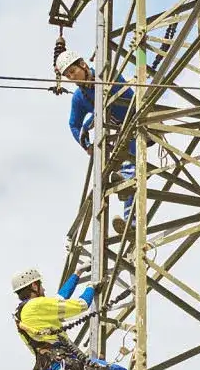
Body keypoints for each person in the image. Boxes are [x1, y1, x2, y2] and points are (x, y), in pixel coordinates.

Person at [55, 48, 140, 232]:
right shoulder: (79, 97)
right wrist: (86, 145)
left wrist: (90, 122)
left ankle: (130, 210)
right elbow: (73, 124)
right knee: (128, 172)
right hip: (120, 131)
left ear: (83, 65)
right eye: (68, 76)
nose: (72, 77)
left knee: (129, 168)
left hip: (136, 120)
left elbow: (114, 99)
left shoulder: (107, 74)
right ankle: (130, 223)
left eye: (73, 71)